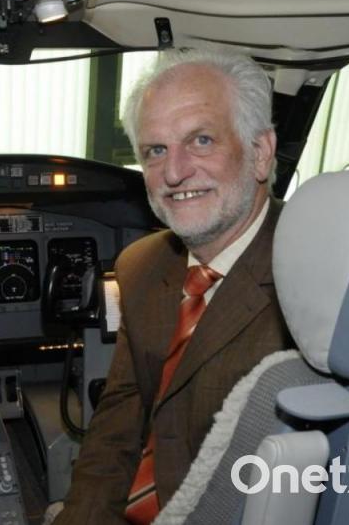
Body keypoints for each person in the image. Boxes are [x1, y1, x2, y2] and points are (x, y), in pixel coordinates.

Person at [53, 50, 295, 524]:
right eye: (155, 151)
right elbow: (117, 429)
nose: (174, 173)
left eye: (201, 140)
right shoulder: (140, 267)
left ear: (261, 152)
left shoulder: (314, 275)